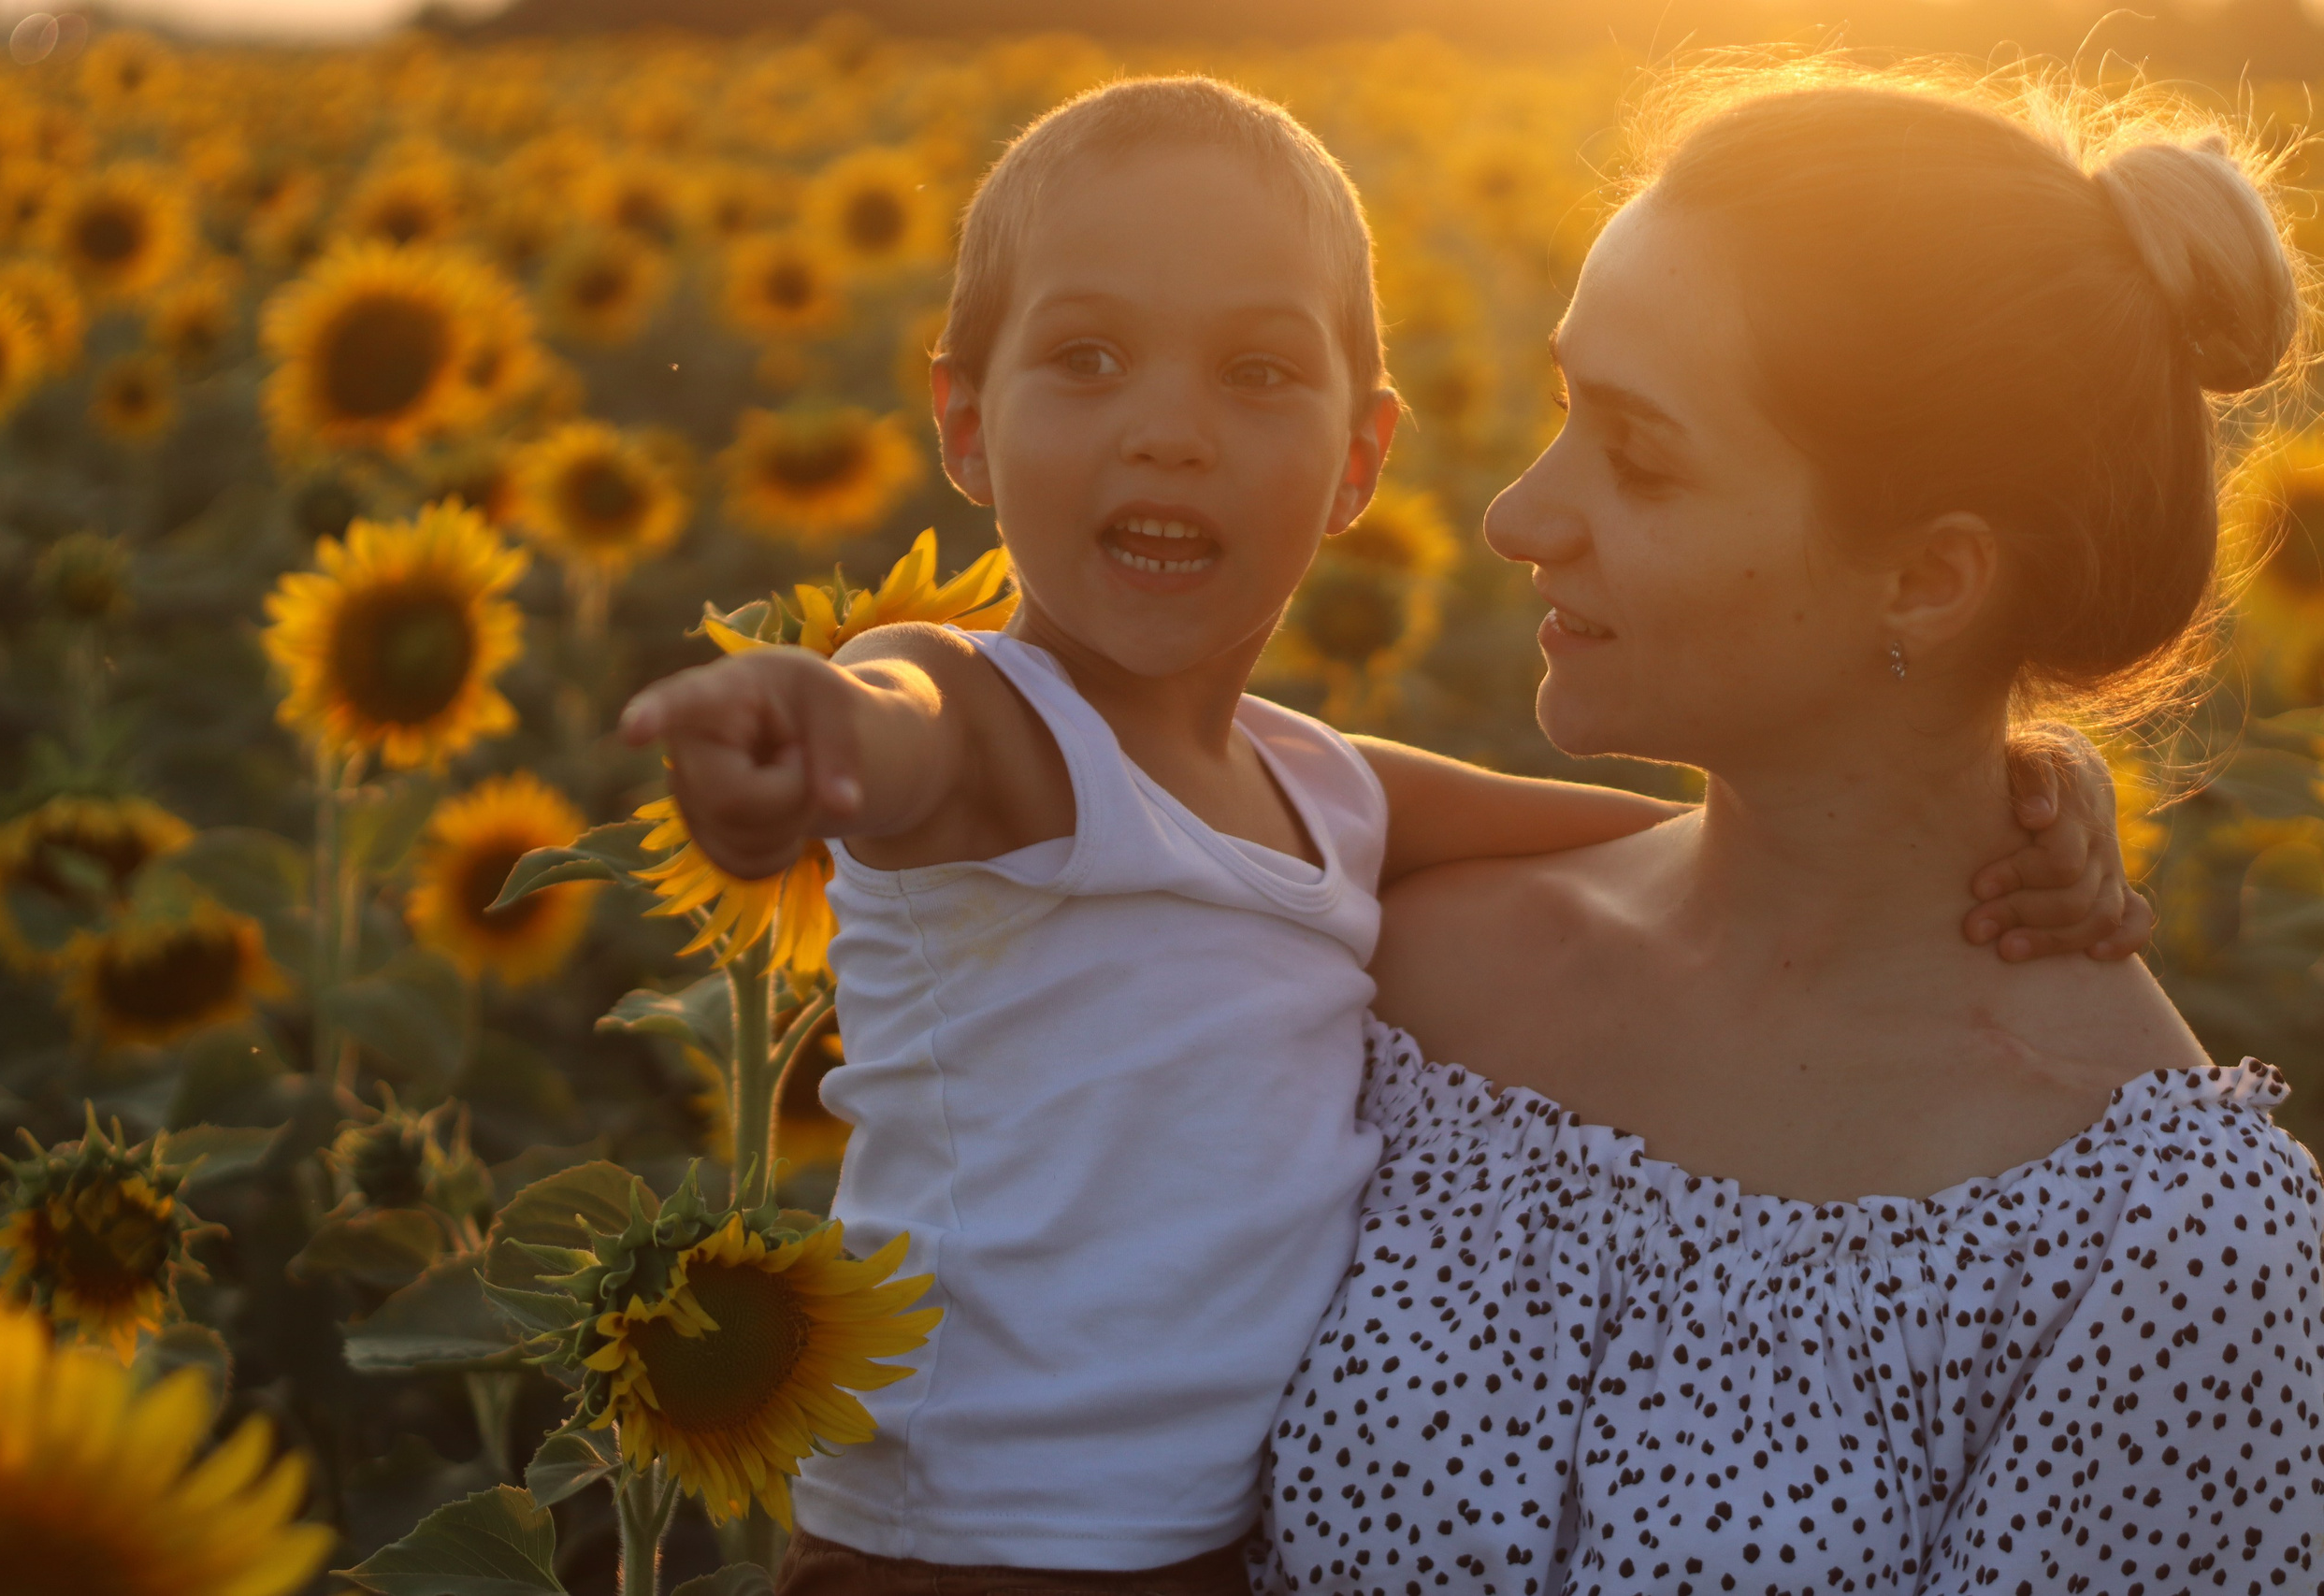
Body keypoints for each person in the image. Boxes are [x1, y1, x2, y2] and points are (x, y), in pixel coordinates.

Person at [621, 76, 2139, 1595]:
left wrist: (2006, 779)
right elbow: (904, 717)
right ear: (963, 422)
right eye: (1086, 360)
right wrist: (808, 727)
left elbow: (1689, 846)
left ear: (1360, 458)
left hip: (1204, 1556)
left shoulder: (1327, 792)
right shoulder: (1003, 729)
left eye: (1258, 373)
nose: (1169, 434)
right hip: (955, 1553)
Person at [1256, 65, 2324, 1594]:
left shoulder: (2158, 1249)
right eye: (1567, 409)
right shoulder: (1400, 962)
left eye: (1640, 455)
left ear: (1931, 581)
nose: (1518, 515)